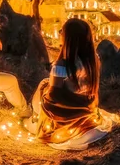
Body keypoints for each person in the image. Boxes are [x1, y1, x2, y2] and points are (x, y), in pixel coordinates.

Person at [26, 18, 114, 150]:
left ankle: (36, 118)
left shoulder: (62, 65)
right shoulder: (93, 59)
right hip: (86, 106)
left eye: (62, 31)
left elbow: (54, 98)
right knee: (46, 83)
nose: (60, 33)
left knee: (43, 85)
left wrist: (44, 91)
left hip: (67, 115)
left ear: (69, 38)